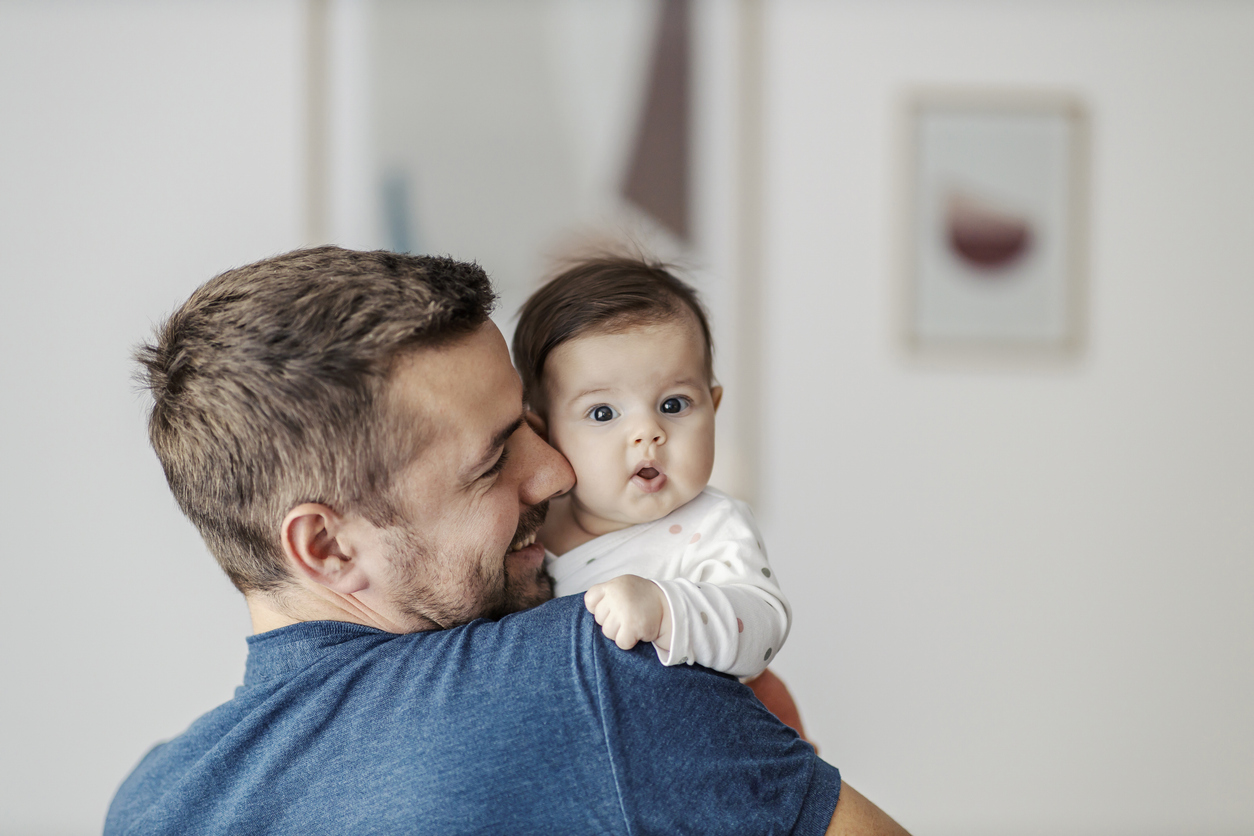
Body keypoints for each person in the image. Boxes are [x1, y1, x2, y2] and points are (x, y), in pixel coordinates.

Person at [106, 246, 910, 835]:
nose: (558, 472)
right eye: (493, 463)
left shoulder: (148, 804)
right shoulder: (596, 670)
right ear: (327, 547)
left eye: (534, 424)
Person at [513, 256, 788, 683]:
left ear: (712, 409)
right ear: (546, 437)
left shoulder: (712, 525)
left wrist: (663, 608)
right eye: (603, 413)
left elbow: (764, 628)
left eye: (673, 404)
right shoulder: (530, 528)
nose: (647, 431)